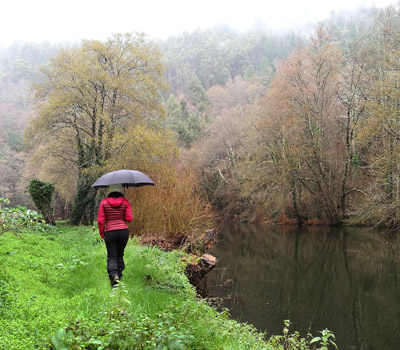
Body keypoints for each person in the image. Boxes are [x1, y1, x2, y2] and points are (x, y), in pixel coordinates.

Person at [97, 184, 133, 287]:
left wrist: (102, 233)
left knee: (112, 255)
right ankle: (119, 276)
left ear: (109, 191)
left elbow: (100, 220)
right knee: (120, 254)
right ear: (121, 191)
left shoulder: (104, 203)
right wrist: (124, 205)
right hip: (123, 232)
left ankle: (113, 275)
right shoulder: (125, 202)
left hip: (110, 232)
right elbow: (129, 218)